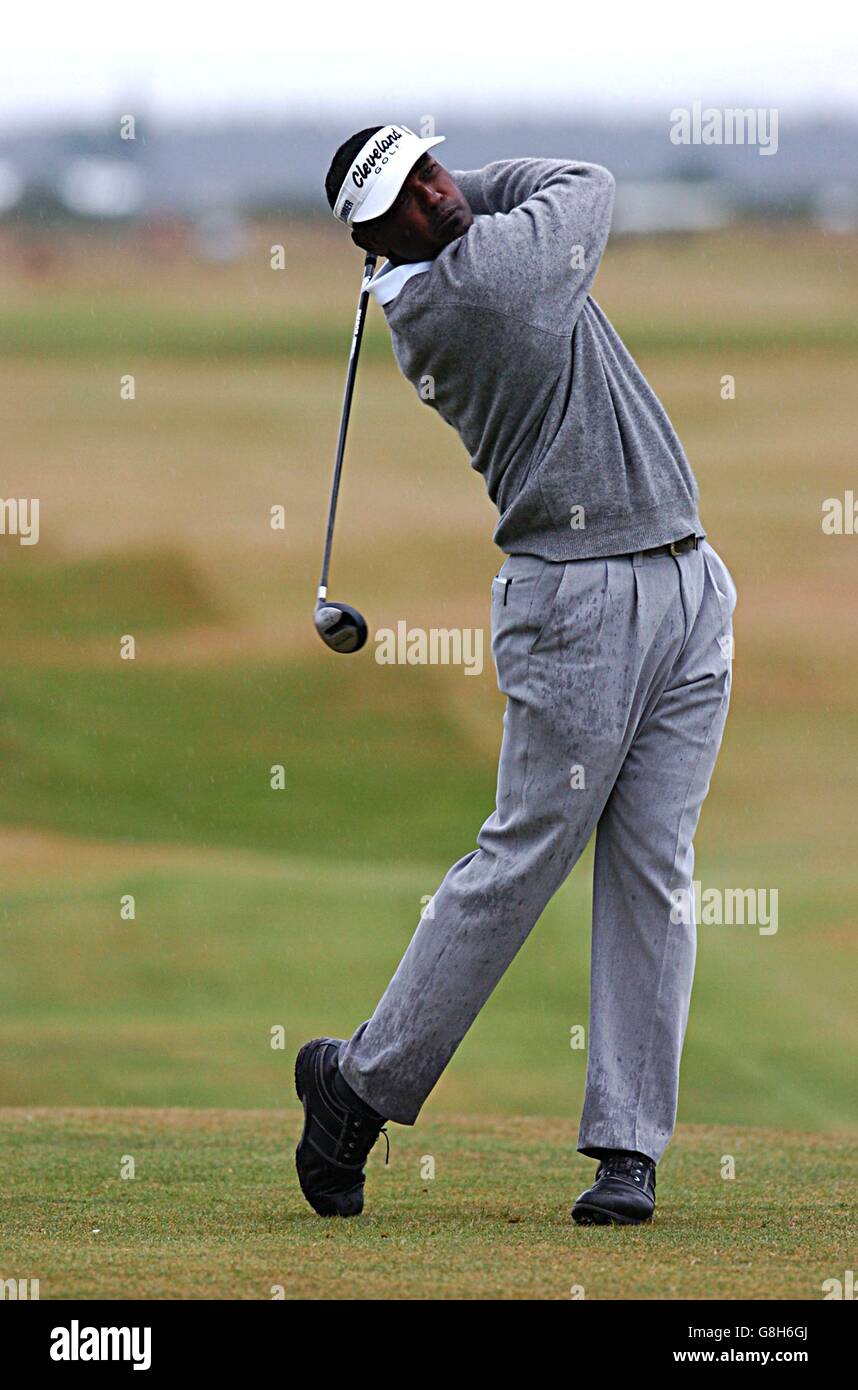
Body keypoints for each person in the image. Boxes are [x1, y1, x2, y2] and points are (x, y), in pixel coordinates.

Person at [295, 124, 737, 1226]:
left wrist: (441, 194)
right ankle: (359, 1086)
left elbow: (515, 199)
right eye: (410, 194)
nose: (441, 194)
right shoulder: (481, 285)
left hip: (687, 578)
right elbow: (588, 179)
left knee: (654, 868)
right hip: (576, 600)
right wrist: (480, 193)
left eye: (436, 170)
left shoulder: (450, 263)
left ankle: (628, 1147)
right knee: (524, 857)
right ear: (372, 234)